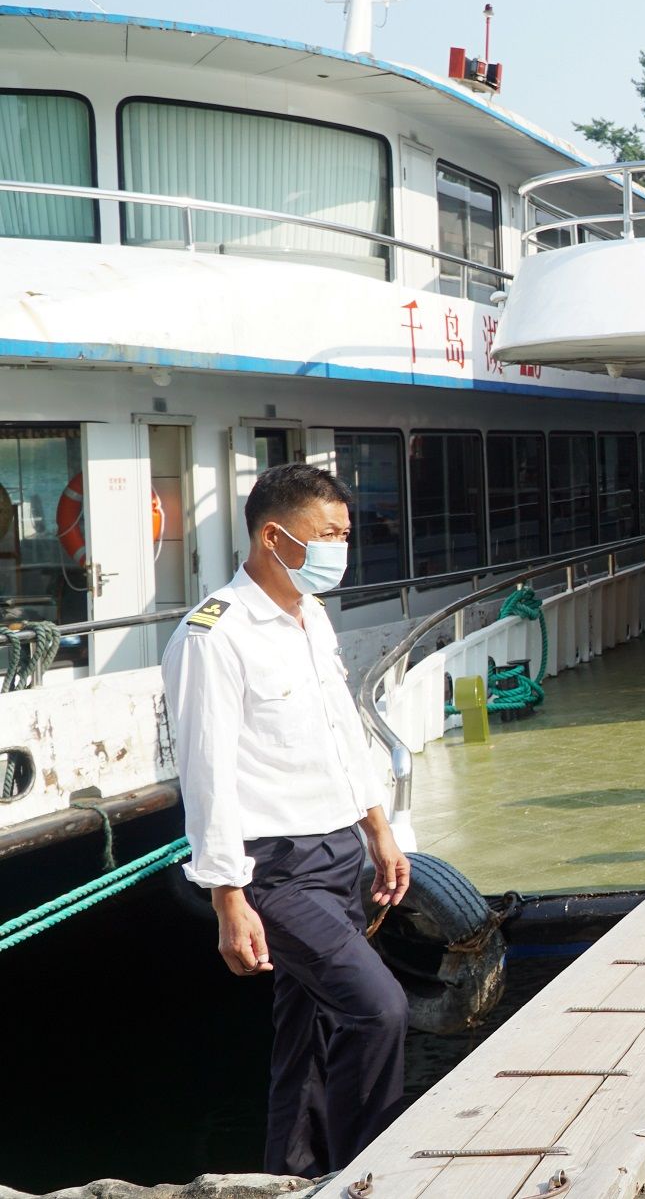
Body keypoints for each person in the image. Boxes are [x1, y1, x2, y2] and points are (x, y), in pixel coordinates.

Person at [162, 463, 410, 1177]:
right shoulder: (215, 634)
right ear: (275, 536)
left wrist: (378, 829)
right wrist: (227, 897)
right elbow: (206, 776)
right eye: (328, 534)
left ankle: (293, 1178)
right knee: (379, 1008)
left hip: (336, 851)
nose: (342, 547)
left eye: (346, 533)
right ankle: (370, 1173)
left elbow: (342, 731)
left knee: (307, 1037)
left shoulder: (309, 614)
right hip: (272, 866)